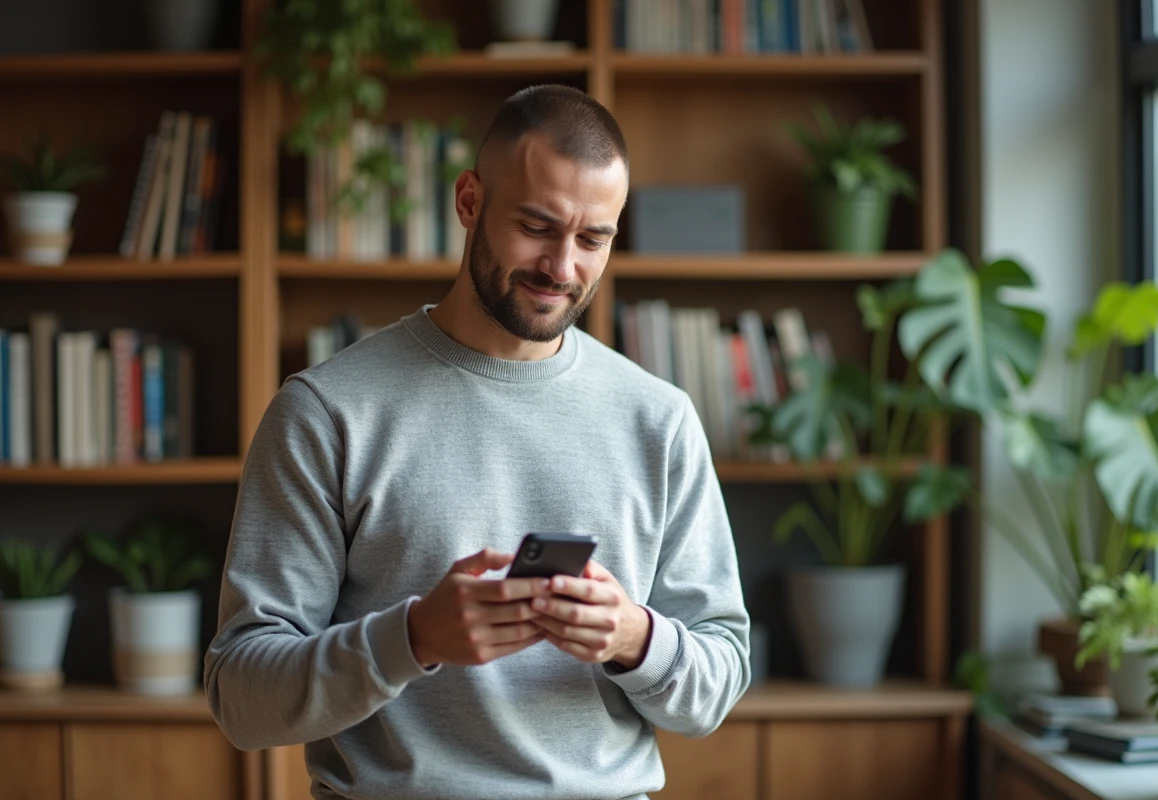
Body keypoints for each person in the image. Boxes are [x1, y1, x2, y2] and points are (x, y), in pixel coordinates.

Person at [204, 83, 751, 800]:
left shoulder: (660, 420)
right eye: (536, 226)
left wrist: (633, 638)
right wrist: (414, 639)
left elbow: (718, 682)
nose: (562, 267)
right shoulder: (327, 412)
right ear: (469, 202)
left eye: (593, 239)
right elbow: (241, 699)